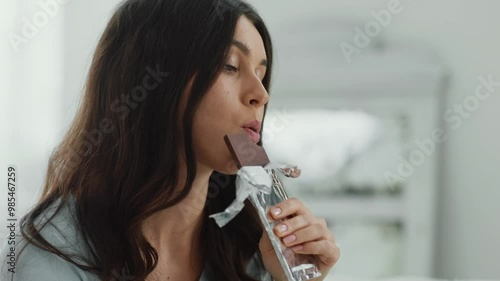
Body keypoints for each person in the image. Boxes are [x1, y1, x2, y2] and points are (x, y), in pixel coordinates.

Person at [0, 0, 340, 280]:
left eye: (262, 74)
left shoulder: (254, 251)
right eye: (230, 66)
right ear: (158, 84)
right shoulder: (53, 257)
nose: (260, 95)